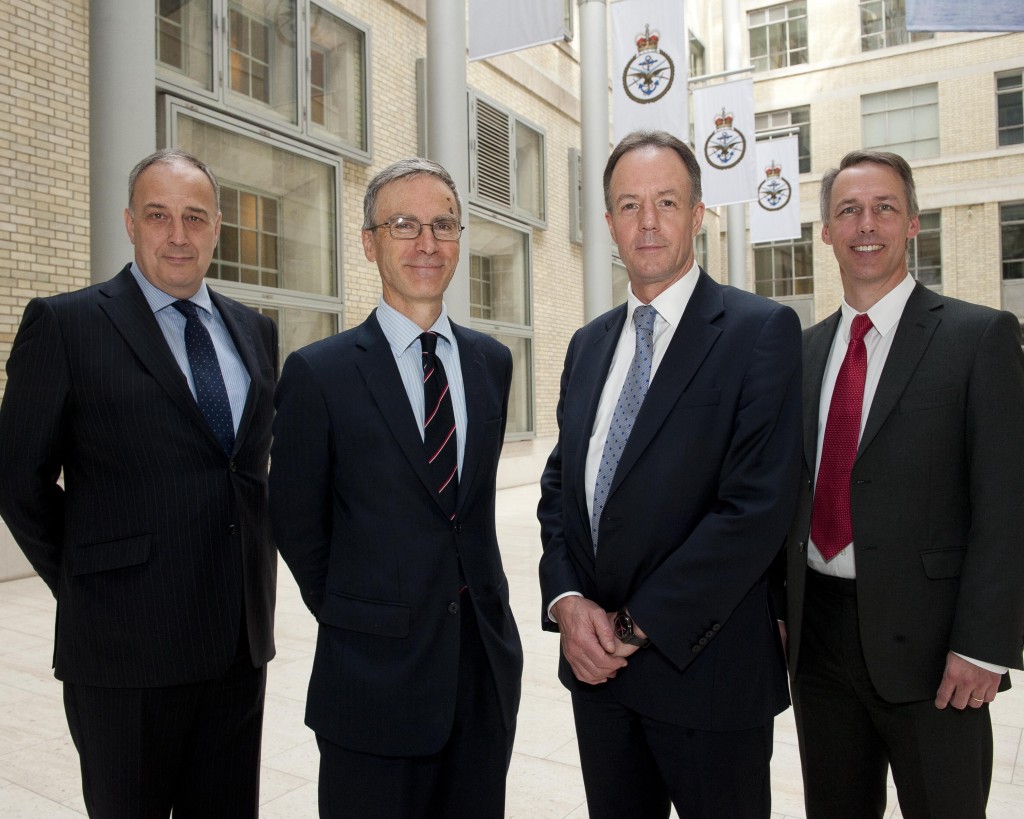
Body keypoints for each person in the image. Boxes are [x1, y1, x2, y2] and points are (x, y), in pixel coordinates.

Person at [0, 149, 278, 818]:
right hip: (125, 656)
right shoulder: (67, 324)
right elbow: (16, 479)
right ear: (130, 222)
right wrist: (91, 579)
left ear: (217, 228)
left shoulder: (255, 331)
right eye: (158, 215)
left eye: (194, 217)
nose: (177, 235)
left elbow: (244, 472)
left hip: (238, 650)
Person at [537, 129, 802, 818]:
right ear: (607, 224)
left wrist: (627, 630)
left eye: (665, 201)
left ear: (697, 214)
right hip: (598, 681)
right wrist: (567, 602)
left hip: (706, 679)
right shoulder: (588, 343)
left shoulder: (759, 331)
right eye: (628, 205)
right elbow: (561, 489)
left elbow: (754, 510)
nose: (647, 221)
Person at [269, 157, 523, 818]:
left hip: (481, 672)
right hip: (370, 681)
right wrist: (362, 613)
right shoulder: (318, 373)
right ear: (368, 242)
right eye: (403, 224)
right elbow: (296, 519)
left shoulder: (491, 363)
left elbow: (465, 514)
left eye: (443, 225)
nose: (426, 243)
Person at [783, 150, 1024, 819]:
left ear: (913, 222)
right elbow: (789, 493)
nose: (867, 224)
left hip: (936, 650)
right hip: (820, 642)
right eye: (848, 210)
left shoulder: (979, 338)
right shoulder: (799, 351)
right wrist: (779, 609)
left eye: (884, 208)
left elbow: (1006, 504)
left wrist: (984, 647)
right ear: (825, 230)